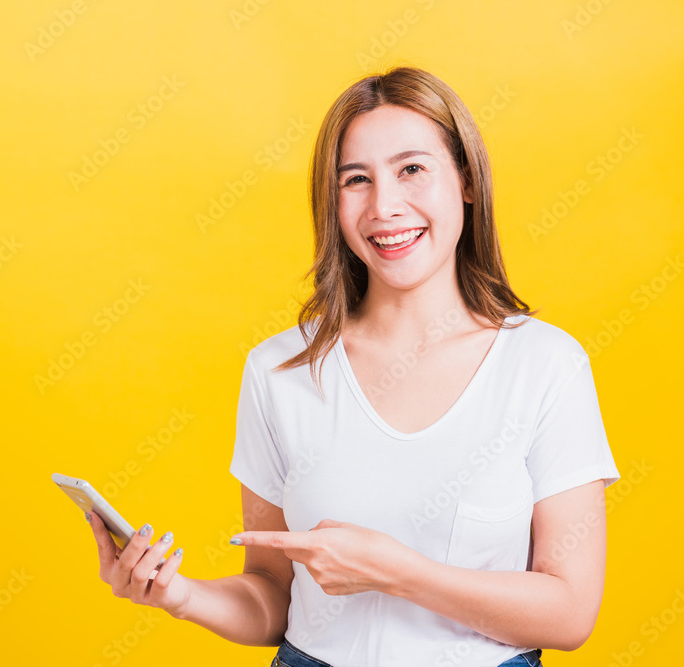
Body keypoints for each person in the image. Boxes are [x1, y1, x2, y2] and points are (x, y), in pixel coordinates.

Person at [85, 65, 620, 667]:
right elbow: (273, 596)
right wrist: (179, 596)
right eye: (356, 180)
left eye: (412, 169)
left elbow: (570, 611)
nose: (385, 206)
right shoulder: (279, 371)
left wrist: (402, 574)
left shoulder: (545, 365)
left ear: (466, 181)